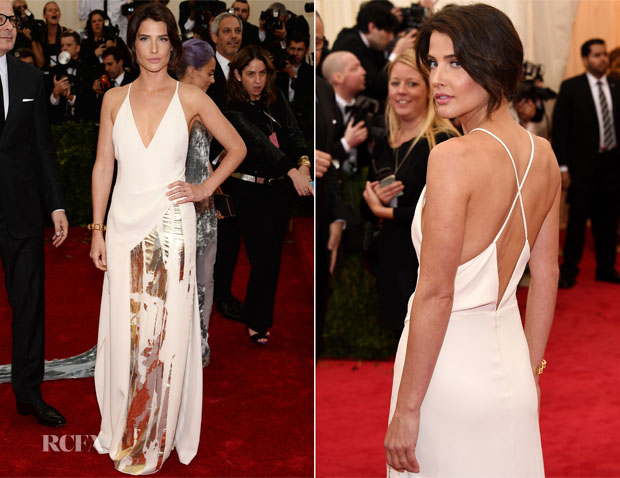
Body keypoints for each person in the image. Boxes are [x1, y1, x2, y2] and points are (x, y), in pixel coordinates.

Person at [384, 4, 560, 476]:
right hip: (512, 367)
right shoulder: (542, 154)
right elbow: (545, 275)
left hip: (447, 373)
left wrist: (408, 407)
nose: (437, 78)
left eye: (455, 63)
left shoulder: (452, 158)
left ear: (494, 65)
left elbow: (437, 292)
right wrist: (533, 370)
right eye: (434, 63)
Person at [89, 3, 245, 473]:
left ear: (173, 45)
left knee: (163, 331)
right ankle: (126, 421)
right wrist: (95, 229)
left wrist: (203, 189)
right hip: (121, 227)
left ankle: (156, 429)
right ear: (132, 43)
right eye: (144, 39)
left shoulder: (192, 97)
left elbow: (236, 147)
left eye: (162, 39)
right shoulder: (113, 100)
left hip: (173, 226)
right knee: (127, 327)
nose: (153, 49)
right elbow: (103, 166)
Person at [0, 0, 69, 427]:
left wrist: (57, 204)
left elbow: (42, 147)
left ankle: (29, 393)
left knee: (29, 306)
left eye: (11, 19)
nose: (7, 26)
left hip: (22, 211)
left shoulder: (31, 77)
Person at [362, 50, 458, 333]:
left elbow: (444, 216)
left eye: (412, 83)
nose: (401, 91)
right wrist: (372, 202)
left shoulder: (444, 142)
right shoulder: (385, 140)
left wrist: (385, 211)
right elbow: (366, 204)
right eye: (395, 83)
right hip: (388, 260)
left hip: (426, 267)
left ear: (429, 90)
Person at [224, 44, 310, 344]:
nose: (257, 80)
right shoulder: (232, 107)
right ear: (237, 75)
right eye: (250, 74)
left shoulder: (275, 98)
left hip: (277, 189)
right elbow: (260, 144)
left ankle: (254, 313)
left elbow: (293, 132)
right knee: (263, 256)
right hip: (247, 188)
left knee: (272, 258)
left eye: (262, 73)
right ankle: (257, 321)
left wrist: (304, 162)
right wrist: (293, 170)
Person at [552, 38, 620, 288]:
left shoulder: (616, 85)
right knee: (577, 221)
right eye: (596, 55)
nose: (603, 59)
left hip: (612, 165)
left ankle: (606, 267)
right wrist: (563, 167)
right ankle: (569, 269)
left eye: (604, 55)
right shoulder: (571, 87)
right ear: (585, 59)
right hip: (582, 167)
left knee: (609, 220)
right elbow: (561, 130)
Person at [176, 37, 221, 366]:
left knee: (195, 278)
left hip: (192, 205)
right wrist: (206, 188)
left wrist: (210, 187)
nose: (213, 79)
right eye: (209, 72)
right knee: (198, 279)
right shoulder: (196, 105)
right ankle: (193, 346)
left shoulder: (170, 102)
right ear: (191, 72)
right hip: (190, 208)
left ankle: (191, 344)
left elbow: (202, 156)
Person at [332, 1, 416, 103]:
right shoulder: (351, 44)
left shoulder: (368, 40)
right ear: (372, 27)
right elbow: (376, 85)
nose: (391, 38)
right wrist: (396, 53)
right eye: (388, 32)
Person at [36, 1, 67, 70]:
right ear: (44, 16)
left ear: (60, 15)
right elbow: (40, 63)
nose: (54, 12)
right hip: (46, 71)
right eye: (50, 10)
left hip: (63, 69)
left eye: (56, 10)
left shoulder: (66, 32)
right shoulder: (41, 35)